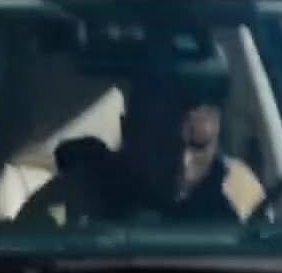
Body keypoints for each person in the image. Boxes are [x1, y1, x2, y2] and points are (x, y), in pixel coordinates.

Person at [14, 67, 264, 228]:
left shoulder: (240, 204)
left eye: (200, 146)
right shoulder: (71, 200)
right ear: (128, 132)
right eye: (163, 146)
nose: (183, 163)